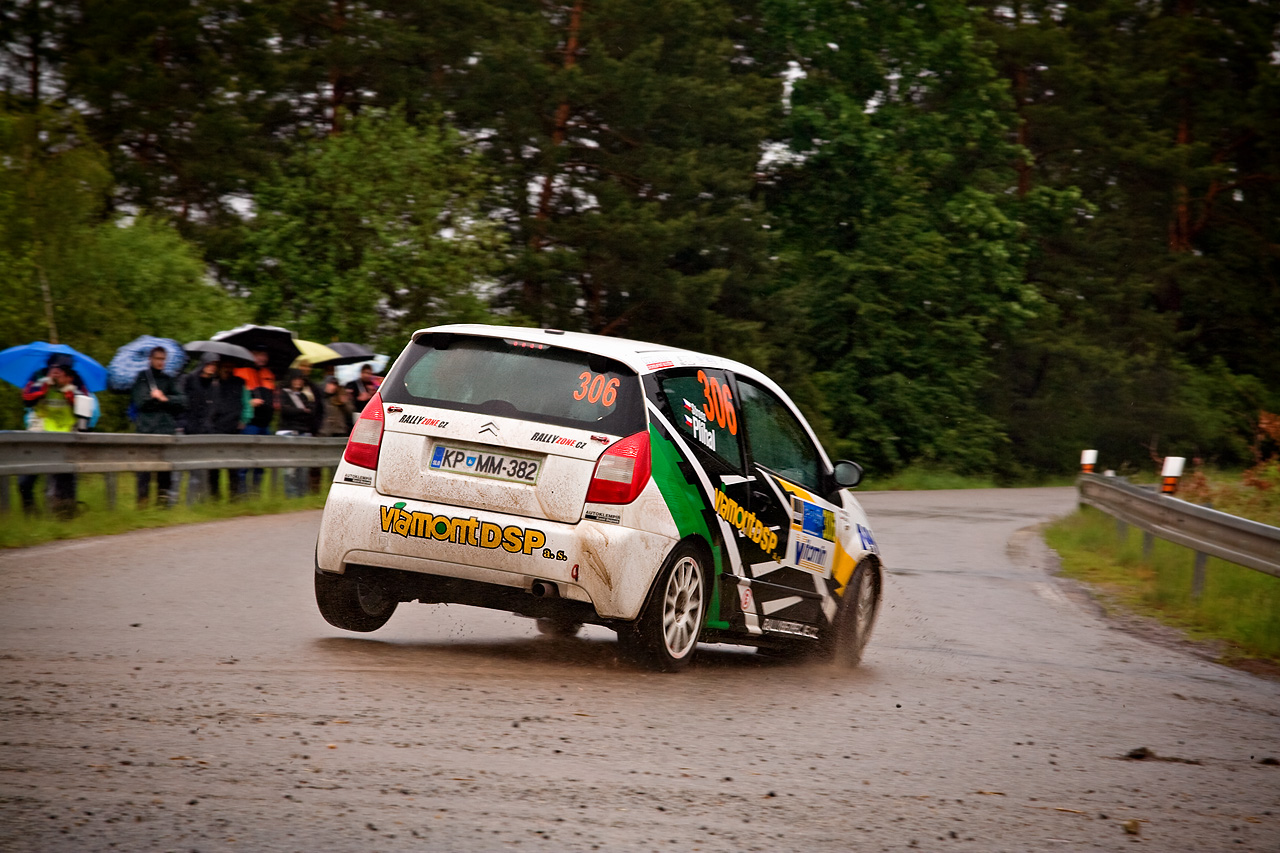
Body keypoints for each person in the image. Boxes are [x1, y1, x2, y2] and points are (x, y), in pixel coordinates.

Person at [19, 355, 92, 518]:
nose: (56, 373)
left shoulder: (76, 381)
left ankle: (65, 516)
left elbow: (86, 412)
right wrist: (44, 387)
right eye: (54, 369)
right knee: (25, 481)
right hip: (39, 435)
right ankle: (31, 517)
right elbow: (26, 398)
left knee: (64, 482)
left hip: (65, 437)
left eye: (61, 370)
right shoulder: (39, 376)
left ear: (68, 373)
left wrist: (69, 392)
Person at [131, 346, 187, 508]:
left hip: (165, 429)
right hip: (146, 430)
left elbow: (183, 402)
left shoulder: (168, 380)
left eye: (163, 359)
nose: (160, 362)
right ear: (150, 359)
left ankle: (162, 505)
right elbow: (140, 402)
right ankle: (143, 504)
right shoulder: (142, 378)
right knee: (144, 471)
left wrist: (164, 398)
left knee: (165, 470)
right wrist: (153, 397)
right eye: (158, 358)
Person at [234, 348, 276, 494]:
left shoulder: (268, 374)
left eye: (264, 354)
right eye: (258, 354)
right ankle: (242, 493)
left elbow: (273, 396)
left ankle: (256, 493)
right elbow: (236, 397)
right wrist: (250, 402)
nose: (262, 358)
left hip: (265, 424)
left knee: (261, 462)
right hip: (250, 423)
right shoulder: (241, 372)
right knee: (245, 461)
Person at [180, 353, 220, 498]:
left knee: (201, 470)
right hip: (189, 428)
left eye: (214, 365)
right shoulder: (189, 379)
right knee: (184, 469)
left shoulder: (214, 384)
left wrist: (210, 425)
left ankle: (198, 500)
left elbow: (213, 408)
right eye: (210, 364)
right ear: (203, 364)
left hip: (205, 430)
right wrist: (182, 423)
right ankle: (181, 501)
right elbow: (182, 402)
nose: (212, 367)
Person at [210, 359, 251, 500]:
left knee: (233, 468)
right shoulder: (213, 383)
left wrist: (244, 419)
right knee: (213, 468)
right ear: (219, 368)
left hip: (233, 429)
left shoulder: (239, 383)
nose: (227, 369)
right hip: (215, 429)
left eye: (230, 367)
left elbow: (246, 404)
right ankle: (214, 498)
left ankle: (234, 497)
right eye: (225, 366)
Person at [278, 370, 316, 498]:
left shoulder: (304, 396)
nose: (298, 381)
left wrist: (299, 411)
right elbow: (284, 410)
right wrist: (301, 410)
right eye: (296, 379)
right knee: (290, 468)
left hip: (303, 432)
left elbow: (311, 411)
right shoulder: (284, 394)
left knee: (303, 467)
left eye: (301, 379)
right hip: (288, 431)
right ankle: (291, 495)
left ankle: (301, 494)